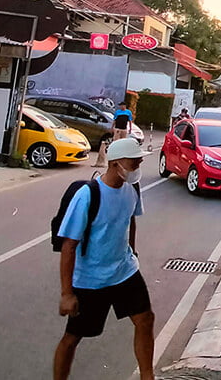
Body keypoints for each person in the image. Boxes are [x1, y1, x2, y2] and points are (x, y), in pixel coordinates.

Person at [53, 138, 153, 380]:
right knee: (73, 338)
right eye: (134, 161)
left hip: (124, 271)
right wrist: (67, 294)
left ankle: (148, 376)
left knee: (145, 319)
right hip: (91, 280)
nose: (138, 166)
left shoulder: (132, 190)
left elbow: (130, 220)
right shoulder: (87, 195)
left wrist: (132, 250)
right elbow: (69, 246)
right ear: (116, 163)